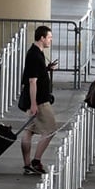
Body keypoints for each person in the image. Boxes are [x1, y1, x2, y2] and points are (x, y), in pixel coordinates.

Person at [20, 26, 58, 176]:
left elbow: (35, 74)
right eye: (49, 37)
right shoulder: (35, 56)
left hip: (34, 99)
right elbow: (32, 81)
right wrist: (34, 103)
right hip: (40, 100)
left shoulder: (36, 53)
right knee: (51, 129)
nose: (50, 40)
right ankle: (36, 161)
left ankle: (27, 164)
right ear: (42, 38)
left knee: (29, 131)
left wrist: (47, 69)